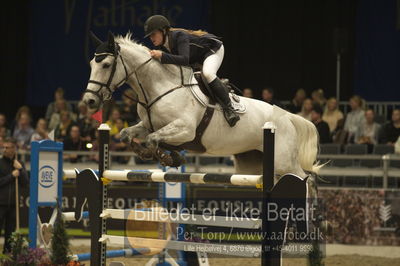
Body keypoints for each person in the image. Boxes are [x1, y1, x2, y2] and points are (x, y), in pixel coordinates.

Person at [143, 15, 240, 127]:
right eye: (149, 36)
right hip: (196, 59)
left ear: (163, 30)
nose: (151, 38)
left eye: (153, 34)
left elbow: (184, 60)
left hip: (212, 49)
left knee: (208, 73)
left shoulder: (179, 36)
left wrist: (162, 56)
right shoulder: (163, 47)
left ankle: (230, 109)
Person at [0, 137, 29, 253]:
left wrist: (21, 170)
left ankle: (7, 255)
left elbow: (26, 182)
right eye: (4, 147)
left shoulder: (19, 163)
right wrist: (11, 176)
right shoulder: (0, 163)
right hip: (0, 203)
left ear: (14, 148)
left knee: (10, 233)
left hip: (13, 204)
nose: (5, 149)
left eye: (8, 147)